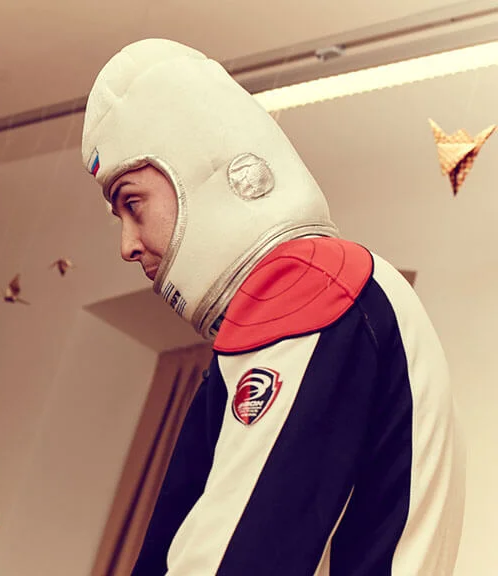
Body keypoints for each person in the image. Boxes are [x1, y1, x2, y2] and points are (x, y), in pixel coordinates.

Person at [80, 39, 465, 574]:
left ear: (194, 170)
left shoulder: (313, 282)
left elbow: (241, 557)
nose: (127, 245)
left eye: (132, 202)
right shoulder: (316, 296)